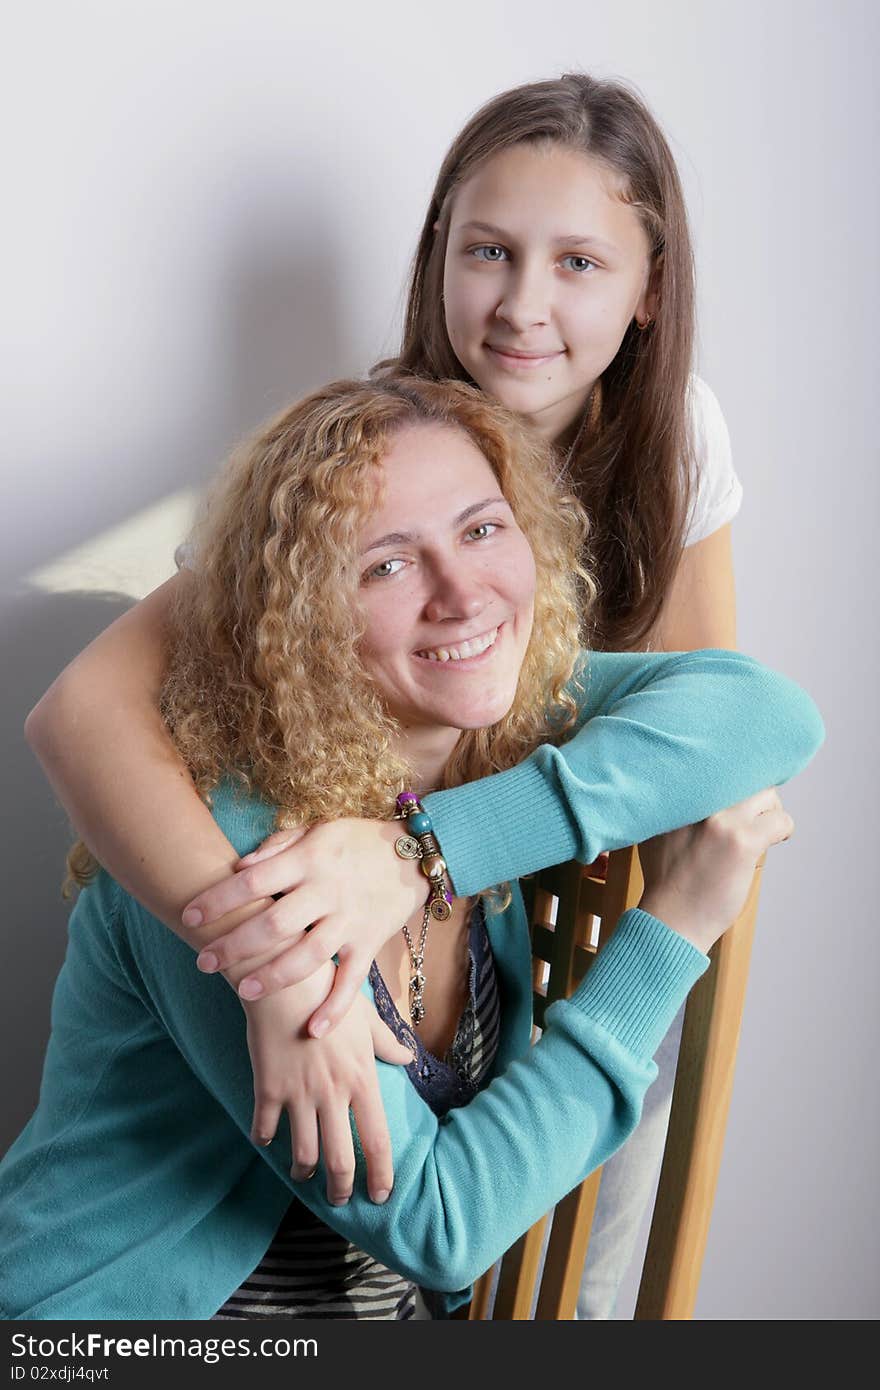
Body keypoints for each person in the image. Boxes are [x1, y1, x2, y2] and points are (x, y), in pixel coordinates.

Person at [27, 75, 749, 1316]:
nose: (524, 303)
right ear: (436, 260)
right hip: (366, 936)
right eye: (488, 252)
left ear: (649, 293)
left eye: (578, 260)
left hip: (528, 945)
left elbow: (730, 727)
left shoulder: (674, 436)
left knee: (577, 1282)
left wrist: (435, 850)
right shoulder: (357, 459)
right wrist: (273, 970)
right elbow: (81, 713)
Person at [1, 377, 821, 1320]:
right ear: (299, 619)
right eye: (385, 566)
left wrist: (430, 848)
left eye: (482, 530)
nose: (465, 594)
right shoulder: (241, 854)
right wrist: (672, 928)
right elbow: (444, 1229)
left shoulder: (486, 733)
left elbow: (770, 714)